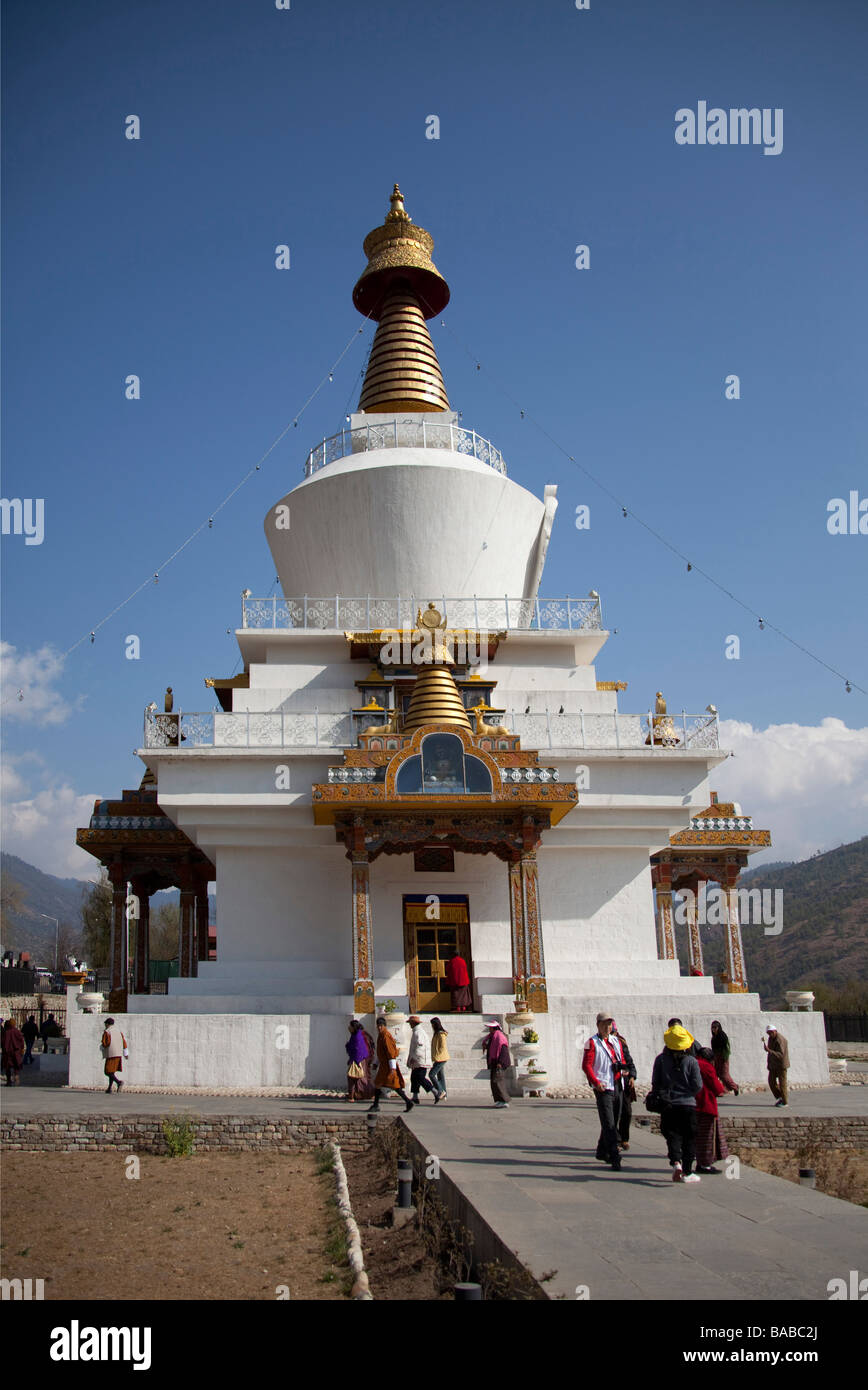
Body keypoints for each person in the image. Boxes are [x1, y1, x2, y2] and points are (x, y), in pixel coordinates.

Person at [651, 1024, 703, 1182]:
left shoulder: (660, 1060)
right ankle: (687, 1171)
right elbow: (698, 1085)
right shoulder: (691, 1061)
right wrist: (688, 1094)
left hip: (668, 1104)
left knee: (672, 1135)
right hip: (688, 1104)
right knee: (689, 1137)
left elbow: (656, 1082)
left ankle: (676, 1163)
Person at [582, 1011, 623, 1171]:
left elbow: (622, 1059)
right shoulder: (591, 1043)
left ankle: (601, 1150)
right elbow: (586, 1065)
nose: (607, 1027)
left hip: (617, 1085)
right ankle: (614, 1156)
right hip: (603, 1087)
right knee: (609, 1122)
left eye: (609, 1024)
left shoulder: (615, 1041)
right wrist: (596, 1082)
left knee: (613, 1120)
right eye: (604, 1024)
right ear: (598, 1025)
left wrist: (626, 1072)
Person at [695, 1046, 729, 1173]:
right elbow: (717, 1088)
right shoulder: (706, 1066)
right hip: (706, 1105)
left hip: (693, 1105)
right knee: (707, 1137)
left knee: (698, 1137)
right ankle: (705, 1165)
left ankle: (700, 1162)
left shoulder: (691, 1063)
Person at [369, 1017, 414, 1112]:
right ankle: (376, 1105)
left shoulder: (386, 1036)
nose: (379, 1028)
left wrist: (392, 1069)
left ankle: (408, 1102)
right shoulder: (381, 1036)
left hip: (388, 1066)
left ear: (384, 1026)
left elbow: (391, 1053)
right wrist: (376, 1063)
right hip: (384, 1065)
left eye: (381, 1026)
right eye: (378, 1026)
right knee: (379, 1083)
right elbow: (380, 1052)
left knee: (394, 1085)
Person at [610, 1021, 637, 1150]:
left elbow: (629, 1061)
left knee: (626, 1111)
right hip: (610, 1082)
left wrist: (632, 1075)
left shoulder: (621, 1043)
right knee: (613, 1113)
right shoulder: (601, 1043)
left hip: (624, 1081)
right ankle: (614, 1139)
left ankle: (624, 1138)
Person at [406, 1015, 437, 1103]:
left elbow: (420, 1046)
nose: (410, 1025)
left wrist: (414, 1058)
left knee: (420, 1078)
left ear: (413, 1023)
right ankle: (415, 1096)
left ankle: (435, 1092)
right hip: (420, 1059)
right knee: (414, 1078)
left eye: (410, 1023)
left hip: (420, 1060)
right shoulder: (419, 1032)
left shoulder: (418, 1033)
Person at [483, 1020, 511, 1108]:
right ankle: (499, 1100)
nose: (489, 1029)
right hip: (494, 1062)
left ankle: (504, 1100)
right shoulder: (493, 1036)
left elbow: (503, 1050)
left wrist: (500, 1062)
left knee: (499, 1082)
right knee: (494, 1082)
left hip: (500, 1062)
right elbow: (492, 1048)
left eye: (490, 1028)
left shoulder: (499, 1037)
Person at [345, 1019, 375, 1102]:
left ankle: (352, 1096)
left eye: (350, 1026)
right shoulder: (356, 1035)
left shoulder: (357, 1036)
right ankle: (362, 1094)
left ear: (353, 1027)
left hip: (358, 1060)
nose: (349, 1028)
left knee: (352, 1078)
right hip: (360, 1060)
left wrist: (356, 1062)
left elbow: (358, 1049)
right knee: (360, 1078)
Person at [710, 1020, 739, 1094]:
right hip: (716, 1058)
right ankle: (721, 1090)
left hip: (723, 1057)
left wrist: (723, 1057)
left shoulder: (722, 1036)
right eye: (713, 1027)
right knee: (716, 1074)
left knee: (724, 1075)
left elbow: (725, 1049)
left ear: (719, 1028)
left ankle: (734, 1087)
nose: (714, 1029)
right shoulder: (714, 1038)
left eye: (715, 1027)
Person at [764, 1026, 789, 1106]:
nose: (770, 1034)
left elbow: (780, 1054)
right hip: (773, 1065)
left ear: (775, 1031)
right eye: (768, 1033)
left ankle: (785, 1102)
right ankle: (780, 1097)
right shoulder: (771, 1039)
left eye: (771, 1032)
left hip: (781, 1065)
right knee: (771, 1081)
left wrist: (769, 1050)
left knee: (782, 1084)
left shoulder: (780, 1040)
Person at [100, 1016, 127, 1093]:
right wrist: (125, 1052)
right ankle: (109, 1088)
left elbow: (106, 1043)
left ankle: (119, 1082)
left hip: (111, 1054)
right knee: (112, 1072)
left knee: (107, 1071)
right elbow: (123, 1042)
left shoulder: (107, 1032)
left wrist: (102, 1046)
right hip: (118, 1054)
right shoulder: (119, 1031)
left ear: (108, 1024)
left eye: (105, 1024)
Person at [429, 1017, 449, 1101]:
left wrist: (437, 1055)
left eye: (433, 1024)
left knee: (431, 1074)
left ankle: (441, 1091)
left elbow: (442, 1047)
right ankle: (444, 1094)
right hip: (438, 1058)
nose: (432, 1026)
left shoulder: (441, 1034)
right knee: (440, 1076)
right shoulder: (437, 1033)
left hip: (441, 1058)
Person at [2, 1018, 26, 1086]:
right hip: (16, 1052)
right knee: (16, 1066)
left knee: (8, 1067)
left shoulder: (7, 1032)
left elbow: (4, 1043)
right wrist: (22, 1049)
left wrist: (4, 1051)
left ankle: (9, 1081)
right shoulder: (17, 1032)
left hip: (8, 1052)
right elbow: (21, 1042)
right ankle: (16, 1077)